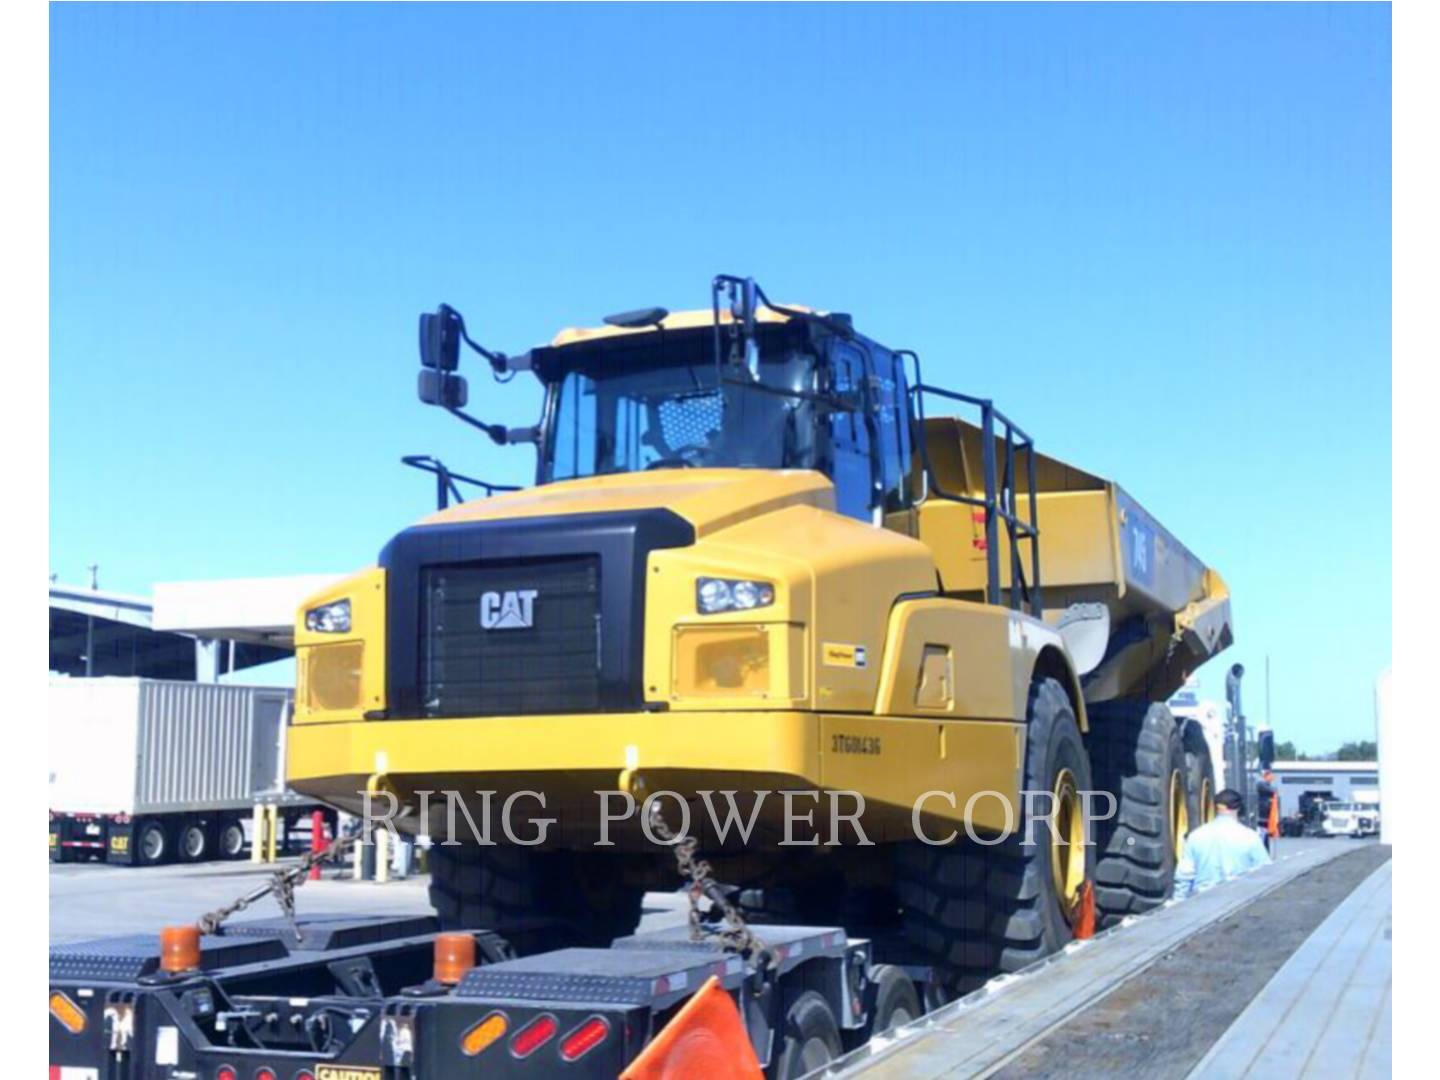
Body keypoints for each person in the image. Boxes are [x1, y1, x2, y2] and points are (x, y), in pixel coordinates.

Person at [1173, 788, 1272, 899]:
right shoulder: (1251, 837)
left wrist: (1178, 902)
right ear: (1239, 808)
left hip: (1202, 902)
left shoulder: (1195, 836)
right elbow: (1265, 873)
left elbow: (1184, 875)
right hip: (1237, 901)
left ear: (1215, 808)